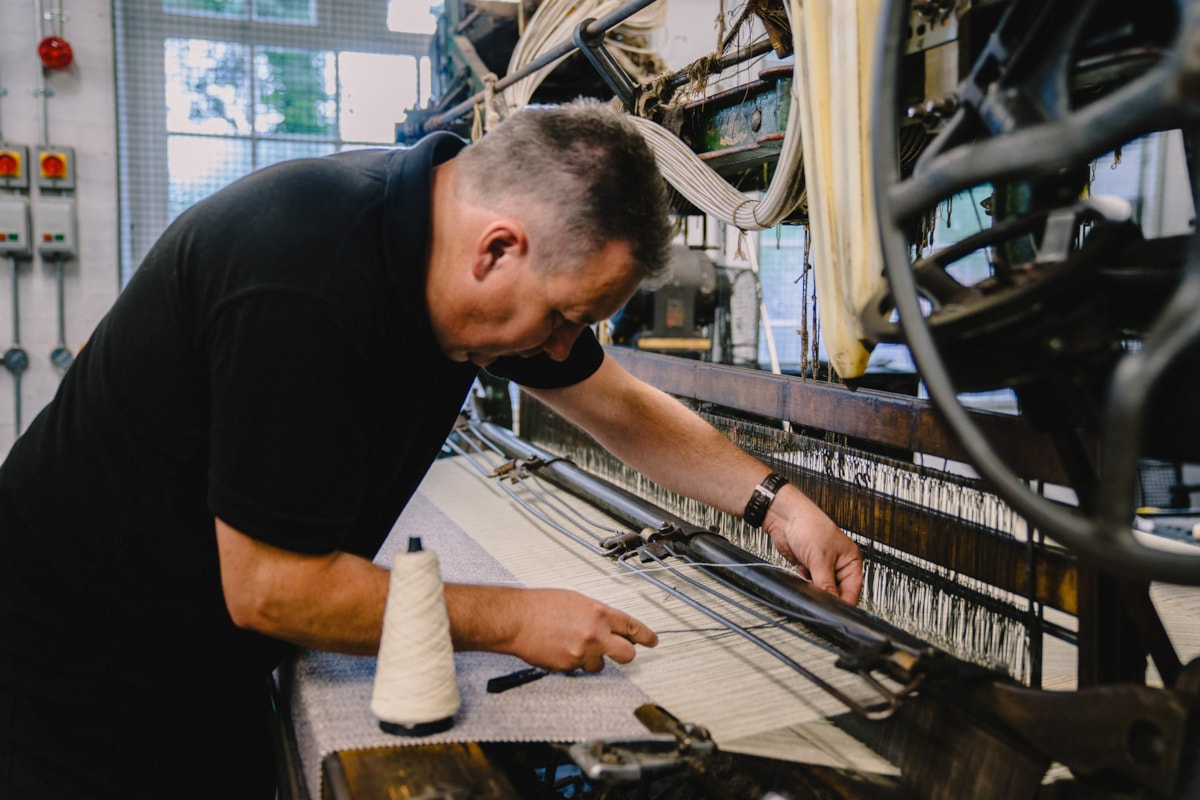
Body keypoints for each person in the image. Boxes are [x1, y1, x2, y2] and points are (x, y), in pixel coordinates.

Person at [0, 98, 862, 798]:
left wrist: (776, 502)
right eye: (565, 318)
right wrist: (518, 618)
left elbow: (616, 404)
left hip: (198, 667)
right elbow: (271, 587)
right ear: (496, 248)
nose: (561, 349)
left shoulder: (457, 251)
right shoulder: (304, 276)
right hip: (67, 684)